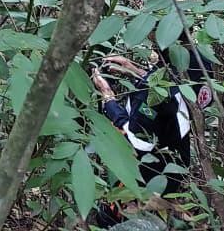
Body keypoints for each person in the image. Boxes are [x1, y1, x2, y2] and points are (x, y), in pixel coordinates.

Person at [90, 39, 213, 226]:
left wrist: (108, 98)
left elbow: (135, 140)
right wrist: (134, 71)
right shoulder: (199, 70)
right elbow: (172, 88)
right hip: (175, 163)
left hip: (147, 174)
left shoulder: (153, 99)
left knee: (115, 217)